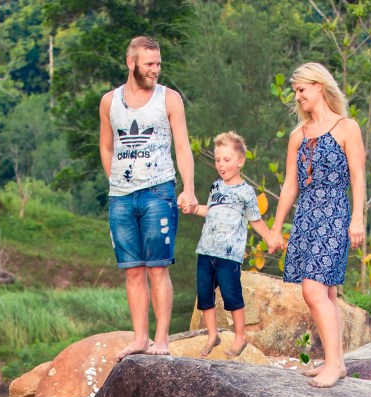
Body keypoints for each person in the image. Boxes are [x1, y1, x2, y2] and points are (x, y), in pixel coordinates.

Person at [99, 36, 198, 360]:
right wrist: (115, 178)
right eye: (149, 64)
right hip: (121, 197)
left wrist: (188, 187)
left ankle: (162, 339)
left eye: (158, 64)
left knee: (157, 268)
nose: (155, 70)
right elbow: (106, 146)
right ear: (132, 63)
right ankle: (140, 338)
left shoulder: (169, 98)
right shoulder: (109, 102)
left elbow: (182, 146)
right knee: (132, 270)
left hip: (158, 191)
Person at [269, 63, 365, 388]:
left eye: (301, 89)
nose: (297, 96)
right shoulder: (298, 136)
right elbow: (290, 185)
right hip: (306, 216)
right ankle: (335, 361)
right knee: (326, 292)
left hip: (335, 213)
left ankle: (334, 365)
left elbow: (358, 177)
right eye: (295, 91)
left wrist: (358, 218)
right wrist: (276, 227)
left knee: (313, 289)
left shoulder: (346, 127)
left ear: (319, 86)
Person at [191, 131, 275, 357]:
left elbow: (255, 220)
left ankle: (240, 336)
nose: (221, 164)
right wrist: (194, 208)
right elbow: (210, 211)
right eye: (218, 159)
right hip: (206, 250)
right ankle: (212, 335)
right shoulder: (216, 187)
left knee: (232, 295)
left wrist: (269, 238)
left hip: (228, 255)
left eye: (226, 159)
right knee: (204, 295)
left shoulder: (246, 192)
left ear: (240, 161)